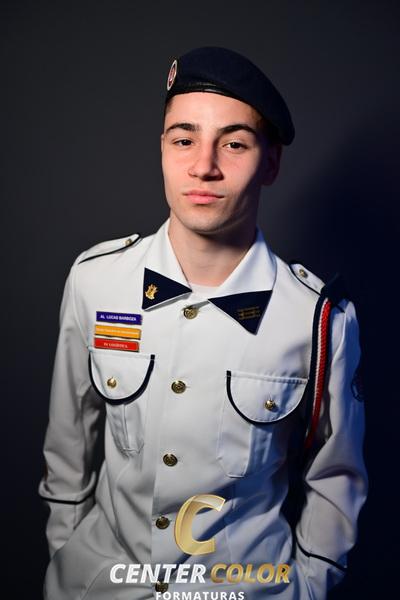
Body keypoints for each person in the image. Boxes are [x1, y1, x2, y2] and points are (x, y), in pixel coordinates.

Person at [38, 47, 367, 600]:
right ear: (162, 149)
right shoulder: (95, 281)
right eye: (183, 140)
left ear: (270, 163)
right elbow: (68, 452)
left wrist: (307, 588)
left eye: (234, 143)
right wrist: (70, 563)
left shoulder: (318, 318)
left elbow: (336, 478)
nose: (203, 166)